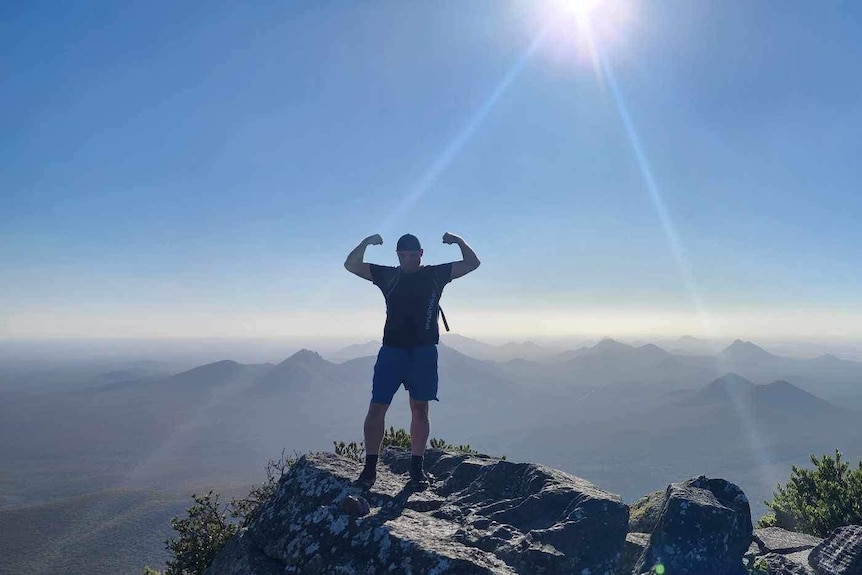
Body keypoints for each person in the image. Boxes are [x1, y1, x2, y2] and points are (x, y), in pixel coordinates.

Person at [344, 232, 480, 489]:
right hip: (393, 351)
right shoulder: (388, 275)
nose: (407, 259)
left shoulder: (434, 275)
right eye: (402, 255)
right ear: (398, 256)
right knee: (377, 408)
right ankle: (369, 468)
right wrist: (365, 243)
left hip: (423, 352)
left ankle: (416, 469)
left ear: (421, 254)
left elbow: (472, 263)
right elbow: (351, 265)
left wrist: (458, 241)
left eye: (411, 254)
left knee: (420, 410)